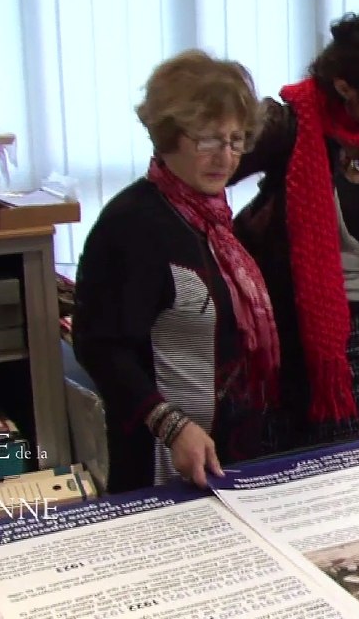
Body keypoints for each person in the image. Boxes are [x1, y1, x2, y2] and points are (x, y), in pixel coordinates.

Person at [72, 50, 280, 492]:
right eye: (207, 139)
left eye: (235, 140)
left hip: (228, 450)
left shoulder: (215, 220)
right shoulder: (132, 224)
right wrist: (171, 425)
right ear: (167, 136)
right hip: (162, 457)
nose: (224, 157)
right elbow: (100, 347)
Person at [231, 13, 359, 447]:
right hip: (290, 329)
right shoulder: (292, 126)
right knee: (290, 465)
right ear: (344, 89)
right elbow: (214, 167)